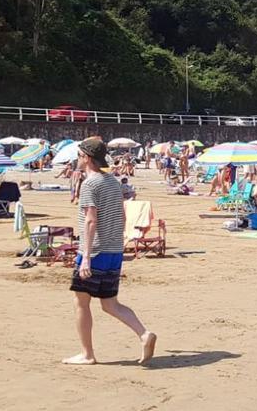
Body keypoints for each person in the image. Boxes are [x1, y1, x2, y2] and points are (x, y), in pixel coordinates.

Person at [64, 137, 156, 366]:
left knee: (81, 302)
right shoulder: (112, 182)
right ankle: (144, 334)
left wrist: (85, 256)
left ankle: (87, 354)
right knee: (110, 304)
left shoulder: (90, 184)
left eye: (79, 156)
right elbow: (123, 216)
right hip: (114, 251)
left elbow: (90, 221)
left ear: (86, 158)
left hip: (95, 251)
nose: (77, 159)